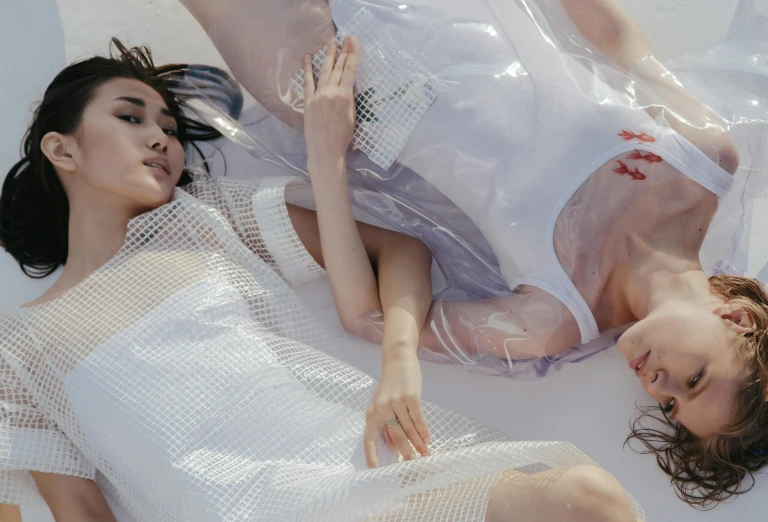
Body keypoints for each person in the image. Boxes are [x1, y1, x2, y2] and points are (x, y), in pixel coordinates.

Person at [0, 38, 642, 522]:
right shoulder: (21, 348)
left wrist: (400, 364)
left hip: (358, 469)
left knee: (586, 500)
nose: (161, 139)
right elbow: (80, 513)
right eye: (130, 118)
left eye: (169, 127)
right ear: (63, 150)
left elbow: (395, 247)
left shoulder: (207, 219)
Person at [179, 0, 768, 508]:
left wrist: (326, 153)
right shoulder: (705, 161)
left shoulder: (552, 320)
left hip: (331, 79)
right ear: (738, 319)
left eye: (672, 405)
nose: (658, 386)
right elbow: (613, 38)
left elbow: (368, 316)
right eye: (694, 379)